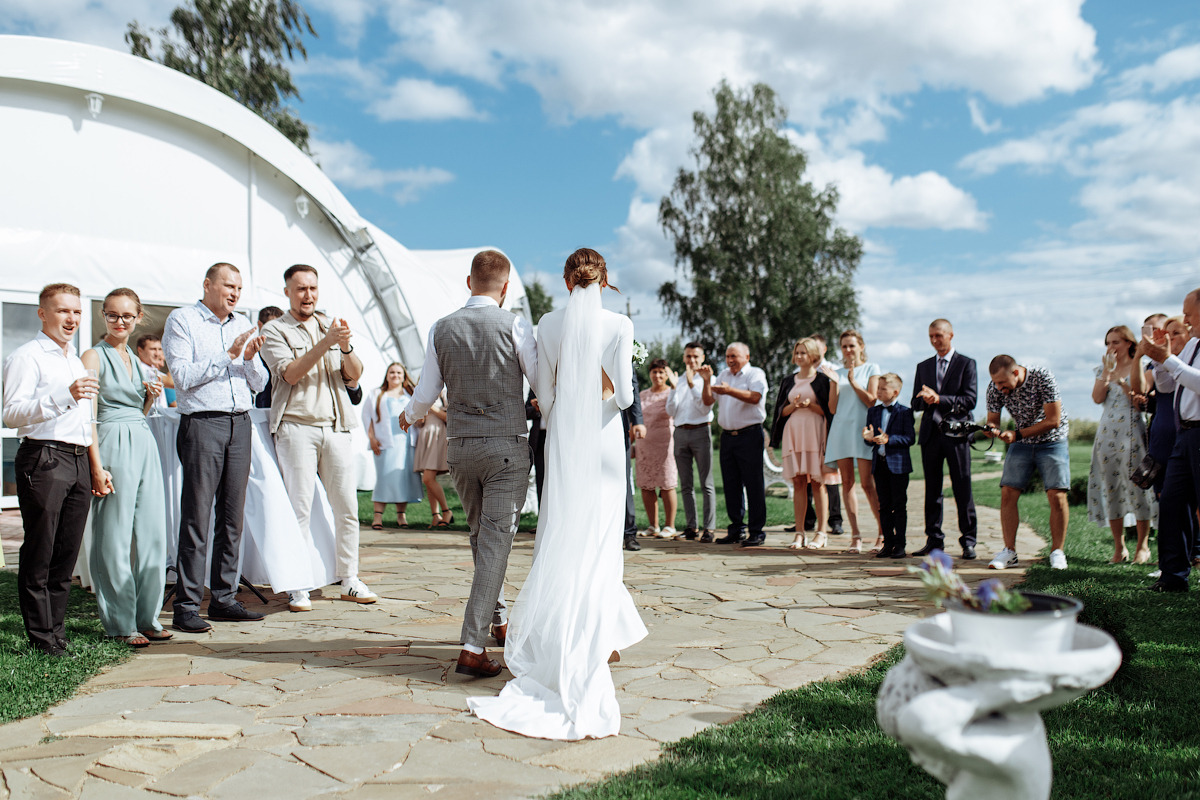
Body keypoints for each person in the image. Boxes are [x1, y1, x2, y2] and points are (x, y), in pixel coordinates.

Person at [467, 247, 647, 740]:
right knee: (603, 539)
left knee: (563, 531)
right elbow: (628, 399)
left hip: (564, 441)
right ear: (604, 281)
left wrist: (567, 405)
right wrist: (604, 386)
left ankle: (572, 633)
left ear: (568, 281)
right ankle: (599, 637)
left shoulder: (546, 322)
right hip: (606, 439)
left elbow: (542, 397)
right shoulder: (619, 325)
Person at [400, 250, 537, 677]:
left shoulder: (442, 327)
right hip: (505, 447)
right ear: (507, 286)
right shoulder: (515, 323)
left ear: (468, 281)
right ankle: (472, 644)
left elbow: (425, 393)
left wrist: (407, 416)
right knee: (496, 542)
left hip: (459, 448)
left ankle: (496, 620)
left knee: (481, 537)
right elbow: (539, 381)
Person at [260, 264, 377, 613]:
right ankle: (299, 584)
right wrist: (326, 342)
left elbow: (354, 376)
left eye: (312, 288)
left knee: (347, 508)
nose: (307, 295)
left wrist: (343, 347)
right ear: (287, 292)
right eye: (300, 289)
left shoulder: (331, 325)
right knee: (300, 508)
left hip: (336, 426)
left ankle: (350, 578)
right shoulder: (274, 329)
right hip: (296, 428)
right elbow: (291, 374)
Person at [162, 263, 268, 632]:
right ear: (208, 284)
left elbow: (258, 382)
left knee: (232, 517)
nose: (235, 292)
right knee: (197, 517)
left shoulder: (243, 323)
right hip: (203, 423)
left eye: (239, 287)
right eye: (228, 285)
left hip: (240, 422)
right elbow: (184, 377)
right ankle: (187, 605)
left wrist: (250, 359)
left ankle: (224, 599)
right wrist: (229, 352)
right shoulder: (182, 320)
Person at [2, 283, 103, 656]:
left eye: (76, 312)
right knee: (40, 552)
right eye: (63, 311)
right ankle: (41, 638)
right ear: (43, 313)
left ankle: (55, 633)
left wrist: (93, 466)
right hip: (44, 457)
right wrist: (65, 395)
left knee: (65, 554)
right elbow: (11, 413)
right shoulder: (26, 357)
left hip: (76, 459)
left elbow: (85, 419)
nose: (72, 319)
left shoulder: (73, 360)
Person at [83, 289, 170, 647]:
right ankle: (120, 622)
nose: (121, 322)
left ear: (138, 318)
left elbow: (140, 411)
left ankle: (147, 617)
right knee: (113, 535)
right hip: (111, 442)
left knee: (152, 533)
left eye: (128, 316)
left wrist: (148, 400)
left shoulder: (138, 361)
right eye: (113, 315)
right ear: (104, 315)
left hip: (143, 439)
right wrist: (95, 465)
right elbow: (86, 415)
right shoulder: (93, 355)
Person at [982, 355, 1071, 571]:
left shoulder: (1042, 377)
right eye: (995, 383)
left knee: (1056, 494)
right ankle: (1009, 551)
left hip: (1052, 440)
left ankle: (1057, 552)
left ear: (1016, 372)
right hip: (1021, 441)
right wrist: (991, 429)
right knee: (1008, 492)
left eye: (1003, 383)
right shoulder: (994, 387)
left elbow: (1053, 420)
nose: (999, 388)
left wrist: (1017, 434)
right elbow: (992, 419)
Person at [1141, 290, 1200, 592]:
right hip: (1185, 433)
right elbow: (1167, 383)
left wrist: (1168, 360)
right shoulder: (1191, 345)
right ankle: (1173, 576)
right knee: (1172, 503)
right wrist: (1160, 358)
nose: (1185, 318)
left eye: (1188, 312)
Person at [1086, 326, 1156, 563]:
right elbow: (1097, 398)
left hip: (1133, 432)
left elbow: (1141, 401)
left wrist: (1122, 382)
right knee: (1111, 488)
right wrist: (1107, 374)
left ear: (1128, 343)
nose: (1110, 347)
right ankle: (1119, 547)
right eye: (1107, 343)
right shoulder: (1103, 369)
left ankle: (1143, 546)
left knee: (1138, 488)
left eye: (1115, 342)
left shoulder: (1142, 366)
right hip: (1106, 434)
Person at [911, 319, 979, 560]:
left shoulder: (967, 364)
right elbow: (915, 402)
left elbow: (970, 400)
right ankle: (934, 540)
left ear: (951, 335)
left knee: (963, 487)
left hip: (957, 435)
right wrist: (924, 399)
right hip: (930, 435)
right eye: (931, 336)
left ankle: (968, 541)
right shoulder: (923, 366)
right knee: (933, 490)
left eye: (938, 335)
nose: (934, 340)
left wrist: (939, 399)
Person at [769, 338, 838, 549]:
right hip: (794, 434)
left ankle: (821, 532)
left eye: (804, 353)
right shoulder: (788, 380)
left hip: (815, 433)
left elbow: (829, 410)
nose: (799, 356)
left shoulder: (821, 379)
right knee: (799, 483)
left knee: (818, 483)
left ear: (813, 356)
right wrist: (795, 405)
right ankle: (799, 533)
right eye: (797, 352)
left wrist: (811, 405)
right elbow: (781, 411)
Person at [824, 330, 882, 553]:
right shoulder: (835, 372)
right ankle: (855, 536)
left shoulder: (871, 368)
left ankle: (882, 532)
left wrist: (853, 382)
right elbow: (832, 407)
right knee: (846, 483)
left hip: (863, 430)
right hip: (841, 429)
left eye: (851, 346)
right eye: (844, 346)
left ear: (861, 346)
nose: (848, 350)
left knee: (867, 484)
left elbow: (872, 401)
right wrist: (834, 382)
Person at [712, 343, 769, 546]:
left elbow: (755, 397)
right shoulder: (723, 375)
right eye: (727, 356)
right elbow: (710, 399)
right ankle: (736, 529)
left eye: (734, 356)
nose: (730, 360)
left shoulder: (755, 374)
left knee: (753, 483)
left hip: (750, 435)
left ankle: (756, 531)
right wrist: (704, 382)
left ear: (747, 356)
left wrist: (729, 390)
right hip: (727, 437)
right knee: (731, 484)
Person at [363, 362, 423, 530]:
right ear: (387, 375)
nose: (395, 375)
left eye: (398, 373)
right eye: (392, 372)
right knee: (384, 478)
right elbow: (367, 417)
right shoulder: (376, 394)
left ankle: (401, 516)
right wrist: (371, 438)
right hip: (384, 444)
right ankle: (377, 517)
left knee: (403, 478)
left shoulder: (411, 395)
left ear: (404, 376)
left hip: (406, 444)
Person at [667, 342, 716, 542]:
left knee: (706, 483)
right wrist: (673, 388)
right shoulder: (677, 380)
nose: (692, 360)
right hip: (680, 432)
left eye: (696, 356)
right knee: (686, 484)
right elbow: (671, 411)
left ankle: (709, 528)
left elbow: (705, 407)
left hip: (700, 430)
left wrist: (691, 385)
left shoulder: (709, 379)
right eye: (688, 356)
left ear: (702, 358)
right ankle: (691, 526)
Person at [862, 374, 915, 559]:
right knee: (883, 506)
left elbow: (910, 438)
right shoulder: (873, 412)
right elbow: (871, 440)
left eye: (883, 389)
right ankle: (888, 543)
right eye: (878, 388)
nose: (878, 392)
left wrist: (889, 439)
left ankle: (900, 544)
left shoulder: (905, 412)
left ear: (895, 392)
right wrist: (868, 438)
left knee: (899, 506)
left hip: (899, 466)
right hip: (880, 464)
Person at [799, 333, 844, 537]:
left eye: (814, 347)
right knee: (807, 476)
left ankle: (835, 520)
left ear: (823, 349)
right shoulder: (800, 372)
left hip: (826, 427)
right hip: (805, 430)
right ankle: (808, 519)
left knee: (828, 476)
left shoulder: (832, 370)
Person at [636, 359, 678, 538]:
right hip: (644, 445)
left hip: (665, 445)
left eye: (662, 372)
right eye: (654, 372)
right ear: (650, 374)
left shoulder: (672, 393)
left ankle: (670, 525)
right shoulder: (642, 394)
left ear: (667, 374)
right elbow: (635, 419)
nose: (658, 375)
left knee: (667, 484)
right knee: (646, 485)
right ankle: (653, 526)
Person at [413, 390, 454, 528]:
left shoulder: (445, 396)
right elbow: (418, 423)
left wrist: (431, 407)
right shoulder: (421, 397)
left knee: (428, 478)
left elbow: (449, 417)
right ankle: (435, 515)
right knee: (428, 479)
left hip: (438, 435)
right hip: (426, 435)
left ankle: (446, 511)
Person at [621, 372, 646, 550]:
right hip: (586, 422)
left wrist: (637, 420)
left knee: (623, 479)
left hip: (617, 422)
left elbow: (632, 386)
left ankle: (629, 533)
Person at [253, 306, 284, 410]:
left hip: (282, 404)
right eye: (271, 327)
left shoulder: (285, 349)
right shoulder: (252, 350)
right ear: (260, 325)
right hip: (263, 407)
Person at [135, 334, 174, 412]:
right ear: (140, 350)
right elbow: (172, 383)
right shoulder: (141, 368)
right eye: (153, 349)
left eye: (160, 349)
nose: (157, 353)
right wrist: (172, 360)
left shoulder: (153, 369)